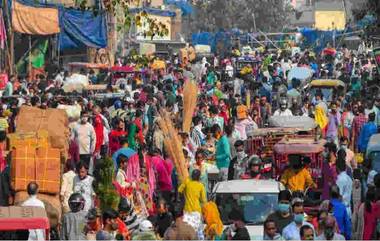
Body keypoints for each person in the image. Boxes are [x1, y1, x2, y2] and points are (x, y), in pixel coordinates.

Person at [178, 169, 206, 238]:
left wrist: (183, 198)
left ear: (192, 176)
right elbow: (203, 200)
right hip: (196, 212)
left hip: (187, 211)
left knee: (187, 232)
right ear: (199, 177)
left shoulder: (187, 182)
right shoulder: (201, 186)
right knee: (197, 232)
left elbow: (179, 190)